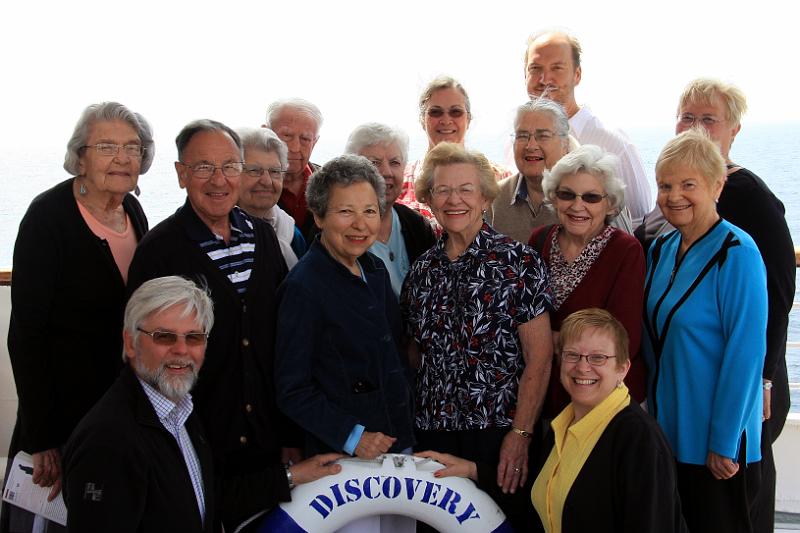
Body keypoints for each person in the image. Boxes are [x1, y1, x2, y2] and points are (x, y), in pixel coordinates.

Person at [127, 120, 323, 532]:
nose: (219, 180)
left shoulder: (264, 238)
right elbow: (144, 363)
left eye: (230, 166)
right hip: (198, 443)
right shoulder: (158, 252)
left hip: (267, 443)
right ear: (181, 174)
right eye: (203, 168)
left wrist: (289, 434)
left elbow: (279, 345)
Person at [3, 101, 152, 533]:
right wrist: (42, 435)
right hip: (62, 411)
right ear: (80, 156)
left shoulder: (133, 212)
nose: (123, 158)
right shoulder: (48, 218)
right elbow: (26, 334)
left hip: (117, 405)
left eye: (133, 147)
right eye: (107, 146)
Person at [417, 309, 687, 533]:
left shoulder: (638, 438)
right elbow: (541, 500)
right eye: (572, 355)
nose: (583, 367)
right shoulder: (565, 422)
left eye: (598, 358)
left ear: (623, 368)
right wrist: (473, 470)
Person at [400, 142, 552, 529]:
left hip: (497, 433)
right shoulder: (420, 272)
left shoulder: (519, 262)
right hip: (433, 433)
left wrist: (520, 434)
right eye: (443, 190)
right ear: (429, 198)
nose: (454, 200)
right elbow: (415, 356)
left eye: (465, 189)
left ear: (485, 196)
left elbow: (540, 357)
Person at [673, 79, 795, 532]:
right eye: (688, 117)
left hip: (748, 383)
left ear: (734, 130)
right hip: (694, 384)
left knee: (739, 501)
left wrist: (764, 379)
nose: (697, 127)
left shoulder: (751, 199)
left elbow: (780, 297)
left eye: (710, 119)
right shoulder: (680, 194)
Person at [274, 154, 415, 532]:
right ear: (318, 217)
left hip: (397, 446)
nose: (360, 224)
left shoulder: (375, 268)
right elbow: (292, 389)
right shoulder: (304, 287)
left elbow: (395, 357)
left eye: (370, 211)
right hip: (345, 461)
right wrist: (354, 437)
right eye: (345, 212)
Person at [643, 129, 767, 532]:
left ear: (717, 186)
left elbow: (745, 355)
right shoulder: (661, 247)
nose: (674, 195)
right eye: (665, 185)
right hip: (668, 432)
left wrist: (723, 441)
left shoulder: (737, 254)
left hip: (715, 443)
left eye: (687, 184)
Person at [62, 276, 216, 533]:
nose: (181, 350)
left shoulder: (181, 411)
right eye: (164, 337)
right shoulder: (107, 442)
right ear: (130, 343)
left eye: (194, 338)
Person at [528, 145, 645, 417]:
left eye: (591, 197)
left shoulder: (625, 250)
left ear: (610, 204)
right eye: (567, 194)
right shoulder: (539, 241)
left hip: (604, 401)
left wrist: (545, 340)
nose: (577, 206)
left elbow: (623, 339)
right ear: (554, 198)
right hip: (548, 395)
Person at [524, 30, 652, 221]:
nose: (544, 79)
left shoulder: (614, 144)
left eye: (557, 68)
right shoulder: (518, 146)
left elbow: (641, 221)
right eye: (535, 69)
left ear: (577, 75)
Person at [397, 76, 511, 222]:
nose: (446, 120)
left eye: (455, 112)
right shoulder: (399, 182)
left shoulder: (499, 179)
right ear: (422, 120)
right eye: (436, 112)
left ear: (468, 119)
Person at [344, 123, 436, 296]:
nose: (386, 172)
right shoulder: (337, 231)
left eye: (395, 162)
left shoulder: (417, 225)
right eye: (374, 163)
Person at [488, 98, 567, 242]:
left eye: (543, 136)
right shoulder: (494, 199)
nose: (531, 146)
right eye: (522, 136)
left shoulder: (586, 199)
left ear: (565, 145)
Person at [237, 127, 306, 269]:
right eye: (255, 171)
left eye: (275, 171)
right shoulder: (217, 234)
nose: (267, 181)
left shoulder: (292, 234)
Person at [264, 98, 324, 241]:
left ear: (314, 142)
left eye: (305, 139)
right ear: (266, 133)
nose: (295, 147)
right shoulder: (245, 186)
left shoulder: (331, 185)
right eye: (287, 136)